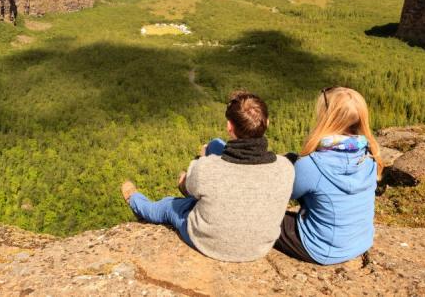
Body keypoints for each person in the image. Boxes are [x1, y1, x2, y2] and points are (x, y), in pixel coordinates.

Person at [121, 91, 294, 262]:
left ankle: (136, 201)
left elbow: (187, 186)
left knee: (169, 206)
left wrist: (189, 175)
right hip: (259, 248)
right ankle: (206, 155)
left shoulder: (207, 168)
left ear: (229, 127)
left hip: (210, 243)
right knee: (215, 145)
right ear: (267, 123)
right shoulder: (285, 168)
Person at [275, 86, 383, 265]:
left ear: (327, 117)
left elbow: (288, 193)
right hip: (360, 241)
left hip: (322, 248)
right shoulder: (370, 154)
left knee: (264, 217)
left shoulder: (312, 164)